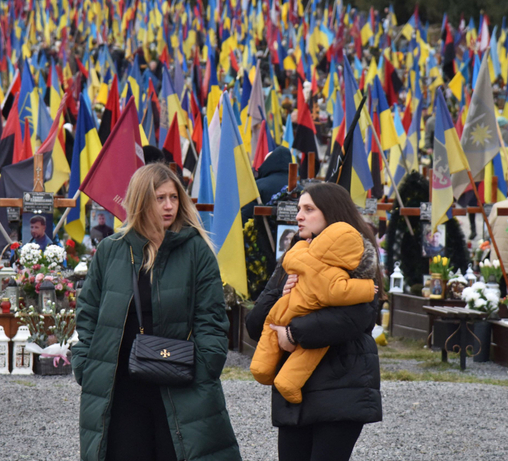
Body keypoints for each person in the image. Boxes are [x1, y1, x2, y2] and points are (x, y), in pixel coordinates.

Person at [72, 163, 240, 461]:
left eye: (174, 197)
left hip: (180, 385)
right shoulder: (112, 250)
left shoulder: (196, 251)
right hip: (120, 386)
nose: (168, 206)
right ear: (140, 201)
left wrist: (203, 369)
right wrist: (85, 364)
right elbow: (88, 313)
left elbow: (212, 321)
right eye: (159, 198)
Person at [246, 182, 382, 461]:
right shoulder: (293, 257)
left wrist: (293, 333)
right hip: (293, 397)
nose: (299, 216)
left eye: (309, 209)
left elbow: (356, 318)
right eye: (299, 209)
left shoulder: (358, 256)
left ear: (332, 214)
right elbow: (254, 324)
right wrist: (282, 297)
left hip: (340, 388)